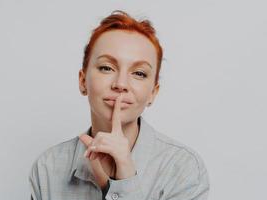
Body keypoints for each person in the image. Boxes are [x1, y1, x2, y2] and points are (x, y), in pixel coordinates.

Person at [29, 10, 210, 200]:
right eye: (106, 68)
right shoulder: (48, 167)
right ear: (83, 81)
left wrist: (125, 175)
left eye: (139, 73)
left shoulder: (183, 169)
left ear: (152, 93)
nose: (121, 84)